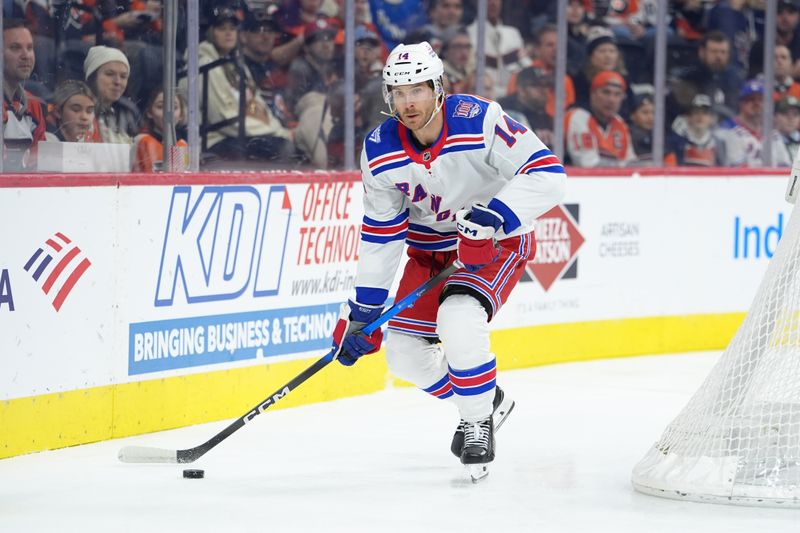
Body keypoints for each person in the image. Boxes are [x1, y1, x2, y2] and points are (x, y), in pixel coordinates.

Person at [330, 42, 565, 476]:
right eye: (399, 93)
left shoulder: (479, 120)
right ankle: (488, 402)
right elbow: (382, 234)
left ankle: (477, 423)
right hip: (430, 253)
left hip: (495, 245)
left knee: (458, 315)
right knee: (403, 355)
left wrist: (494, 216)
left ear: (438, 88)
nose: (408, 103)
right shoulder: (379, 150)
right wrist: (363, 311)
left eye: (417, 90)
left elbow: (548, 175)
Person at [565, 70, 635, 167]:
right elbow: (587, 164)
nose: (611, 100)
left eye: (617, 94)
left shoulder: (620, 123)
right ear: (593, 94)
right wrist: (623, 166)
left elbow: (631, 161)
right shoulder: (578, 117)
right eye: (606, 92)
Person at [716, 78, 793, 167]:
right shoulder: (727, 129)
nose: (756, 103)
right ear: (741, 103)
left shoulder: (774, 135)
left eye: (761, 99)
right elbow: (735, 167)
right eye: (751, 99)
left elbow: (785, 166)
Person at [3, 18, 46, 171]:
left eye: (30, 48)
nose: (26, 55)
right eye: (15, 48)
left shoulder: (33, 104)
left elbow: (39, 166)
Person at [83, 45, 139, 144]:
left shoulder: (127, 113)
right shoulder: (77, 110)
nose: (118, 82)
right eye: (109, 74)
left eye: (123, 76)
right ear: (92, 77)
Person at [131, 87, 188, 172]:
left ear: (181, 115)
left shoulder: (182, 145)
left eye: (174, 107)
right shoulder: (141, 141)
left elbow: (182, 176)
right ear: (149, 112)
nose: (168, 113)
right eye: (160, 107)